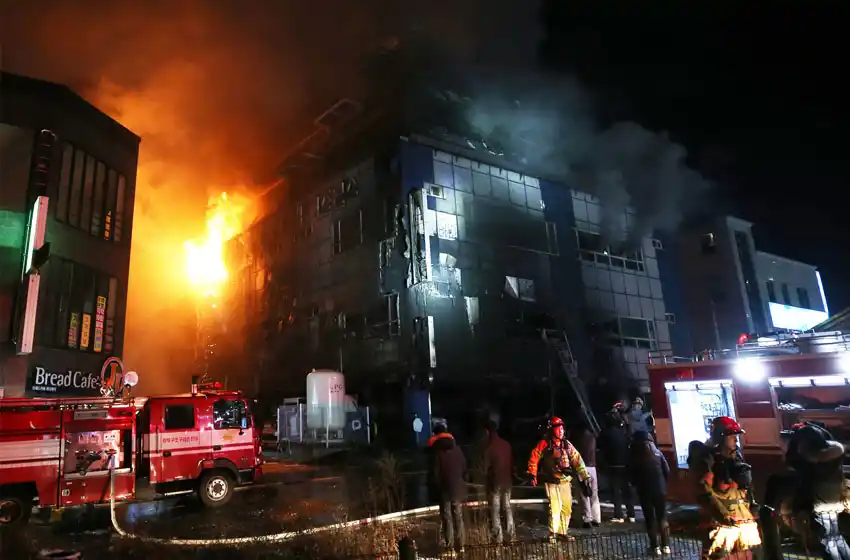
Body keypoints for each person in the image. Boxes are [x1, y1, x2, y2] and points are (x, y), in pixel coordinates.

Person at [762, 422, 850, 560]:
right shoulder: (832, 459)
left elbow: (805, 484)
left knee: (827, 540)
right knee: (836, 536)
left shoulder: (809, 462)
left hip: (820, 505)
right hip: (834, 502)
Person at [687, 416, 761, 559]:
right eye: (732, 436)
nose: (735, 440)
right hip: (722, 527)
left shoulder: (736, 458)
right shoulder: (707, 460)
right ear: (720, 438)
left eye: (736, 436)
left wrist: (754, 509)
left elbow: (747, 490)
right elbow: (703, 490)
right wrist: (722, 514)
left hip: (746, 523)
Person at [527, 416, 592, 543]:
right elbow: (534, 457)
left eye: (562, 428)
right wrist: (532, 474)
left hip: (565, 481)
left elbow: (577, 459)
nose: (561, 431)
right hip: (551, 481)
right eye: (558, 428)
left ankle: (563, 532)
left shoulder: (566, 444)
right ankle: (553, 533)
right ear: (552, 430)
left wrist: (585, 477)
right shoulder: (544, 443)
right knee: (555, 508)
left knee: (567, 507)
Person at [427, 422, 467, 555]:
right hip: (457, 488)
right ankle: (461, 545)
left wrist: (436, 488)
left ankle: (450, 548)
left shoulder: (437, 452)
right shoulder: (458, 449)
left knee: (447, 517)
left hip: (444, 490)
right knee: (458, 516)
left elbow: (435, 473)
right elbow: (464, 467)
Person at [629, 430, 671, 556]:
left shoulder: (635, 456)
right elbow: (667, 471)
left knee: (650, 518)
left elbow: (631, 476)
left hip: (644, 491)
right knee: (662, 517)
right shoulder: (658, 453)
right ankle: (666, 545)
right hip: (660, 490)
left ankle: (655, 547)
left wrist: (636, 484)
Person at [599, 406, 635, 523]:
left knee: (616, 491)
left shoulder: (607, 433)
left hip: (612, 465)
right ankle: (631, 514)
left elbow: (601, 445)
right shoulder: (623, 433)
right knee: (626, 490)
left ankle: (619, 515)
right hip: (625, 465)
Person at [483, 420, 515, 544]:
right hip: (507, 483)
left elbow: (484, 470)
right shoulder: (507, 445)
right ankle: (510, 536)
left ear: (487, 432)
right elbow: (512, 464)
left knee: (495, 511)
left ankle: (498, 539)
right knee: (507, 508)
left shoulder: (489, 450)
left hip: (495, 484)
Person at [572, 420, 601, 528]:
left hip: (583, 468)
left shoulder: (579, 439)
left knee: (584, 494)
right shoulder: (592, 437)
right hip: (593, 467)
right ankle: (597, 518)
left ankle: (587, 519)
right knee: (594, 494)